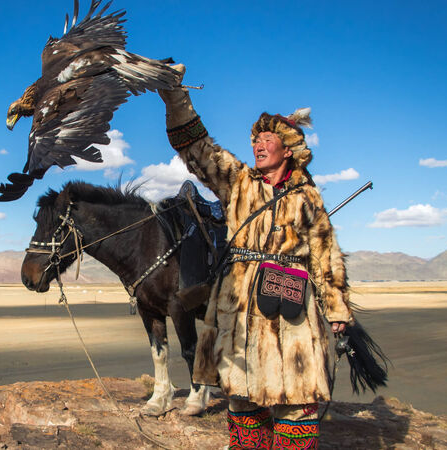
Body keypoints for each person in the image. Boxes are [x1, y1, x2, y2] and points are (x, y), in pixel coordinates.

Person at [159, 65, 353, 449]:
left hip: (292, 311)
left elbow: (325, 253)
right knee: (242, 399)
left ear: (288, 149)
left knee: (296, 400)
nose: (258, 146)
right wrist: (174, 96)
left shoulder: (307, 197)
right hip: (241, 306)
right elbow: (198, 149)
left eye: (267, 139)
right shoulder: (238, 182)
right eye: (256, 140)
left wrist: (337, 310)